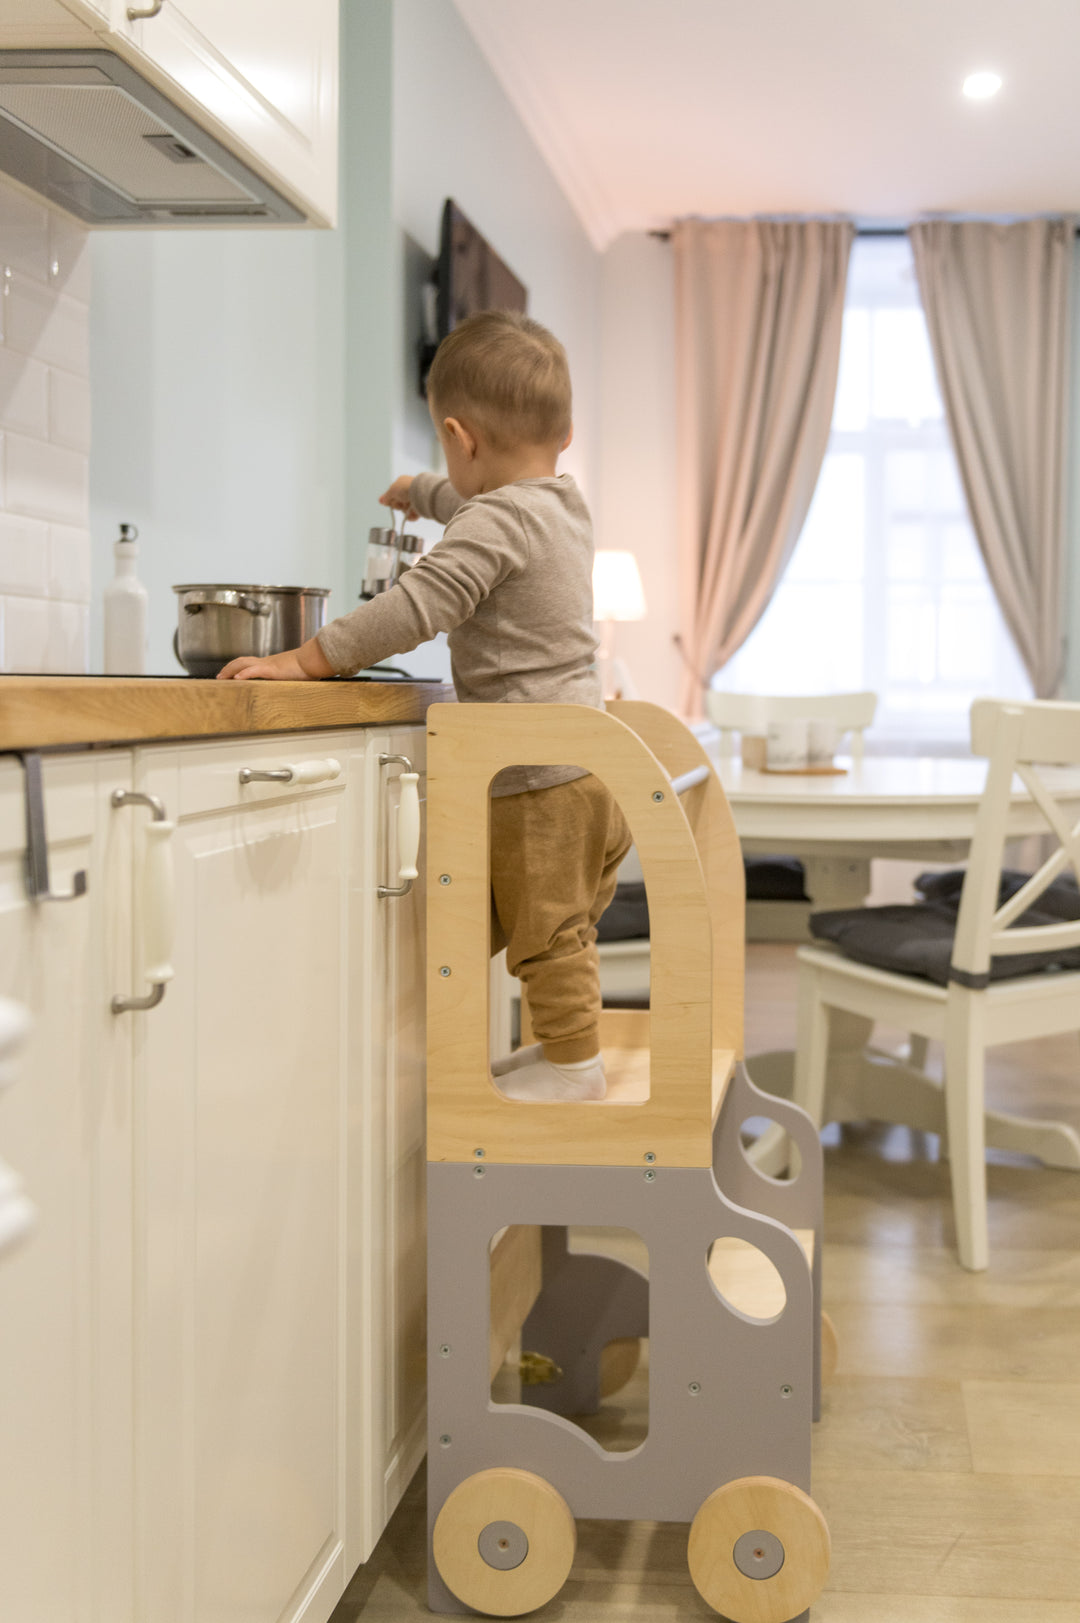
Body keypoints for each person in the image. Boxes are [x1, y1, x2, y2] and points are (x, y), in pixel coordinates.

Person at [218, 310, 630, 1101]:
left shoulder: (495, 520)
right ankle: (560, 1053)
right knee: (557, 924)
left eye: (445, 454)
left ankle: (576, 1065)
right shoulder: (561, 506)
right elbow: (478, 501)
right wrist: (422, 491)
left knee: (547, 934)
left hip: (536, 777)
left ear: (458, 434)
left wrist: (304, 660)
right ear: (565, 435)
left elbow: (417, 605)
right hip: (586, 766)